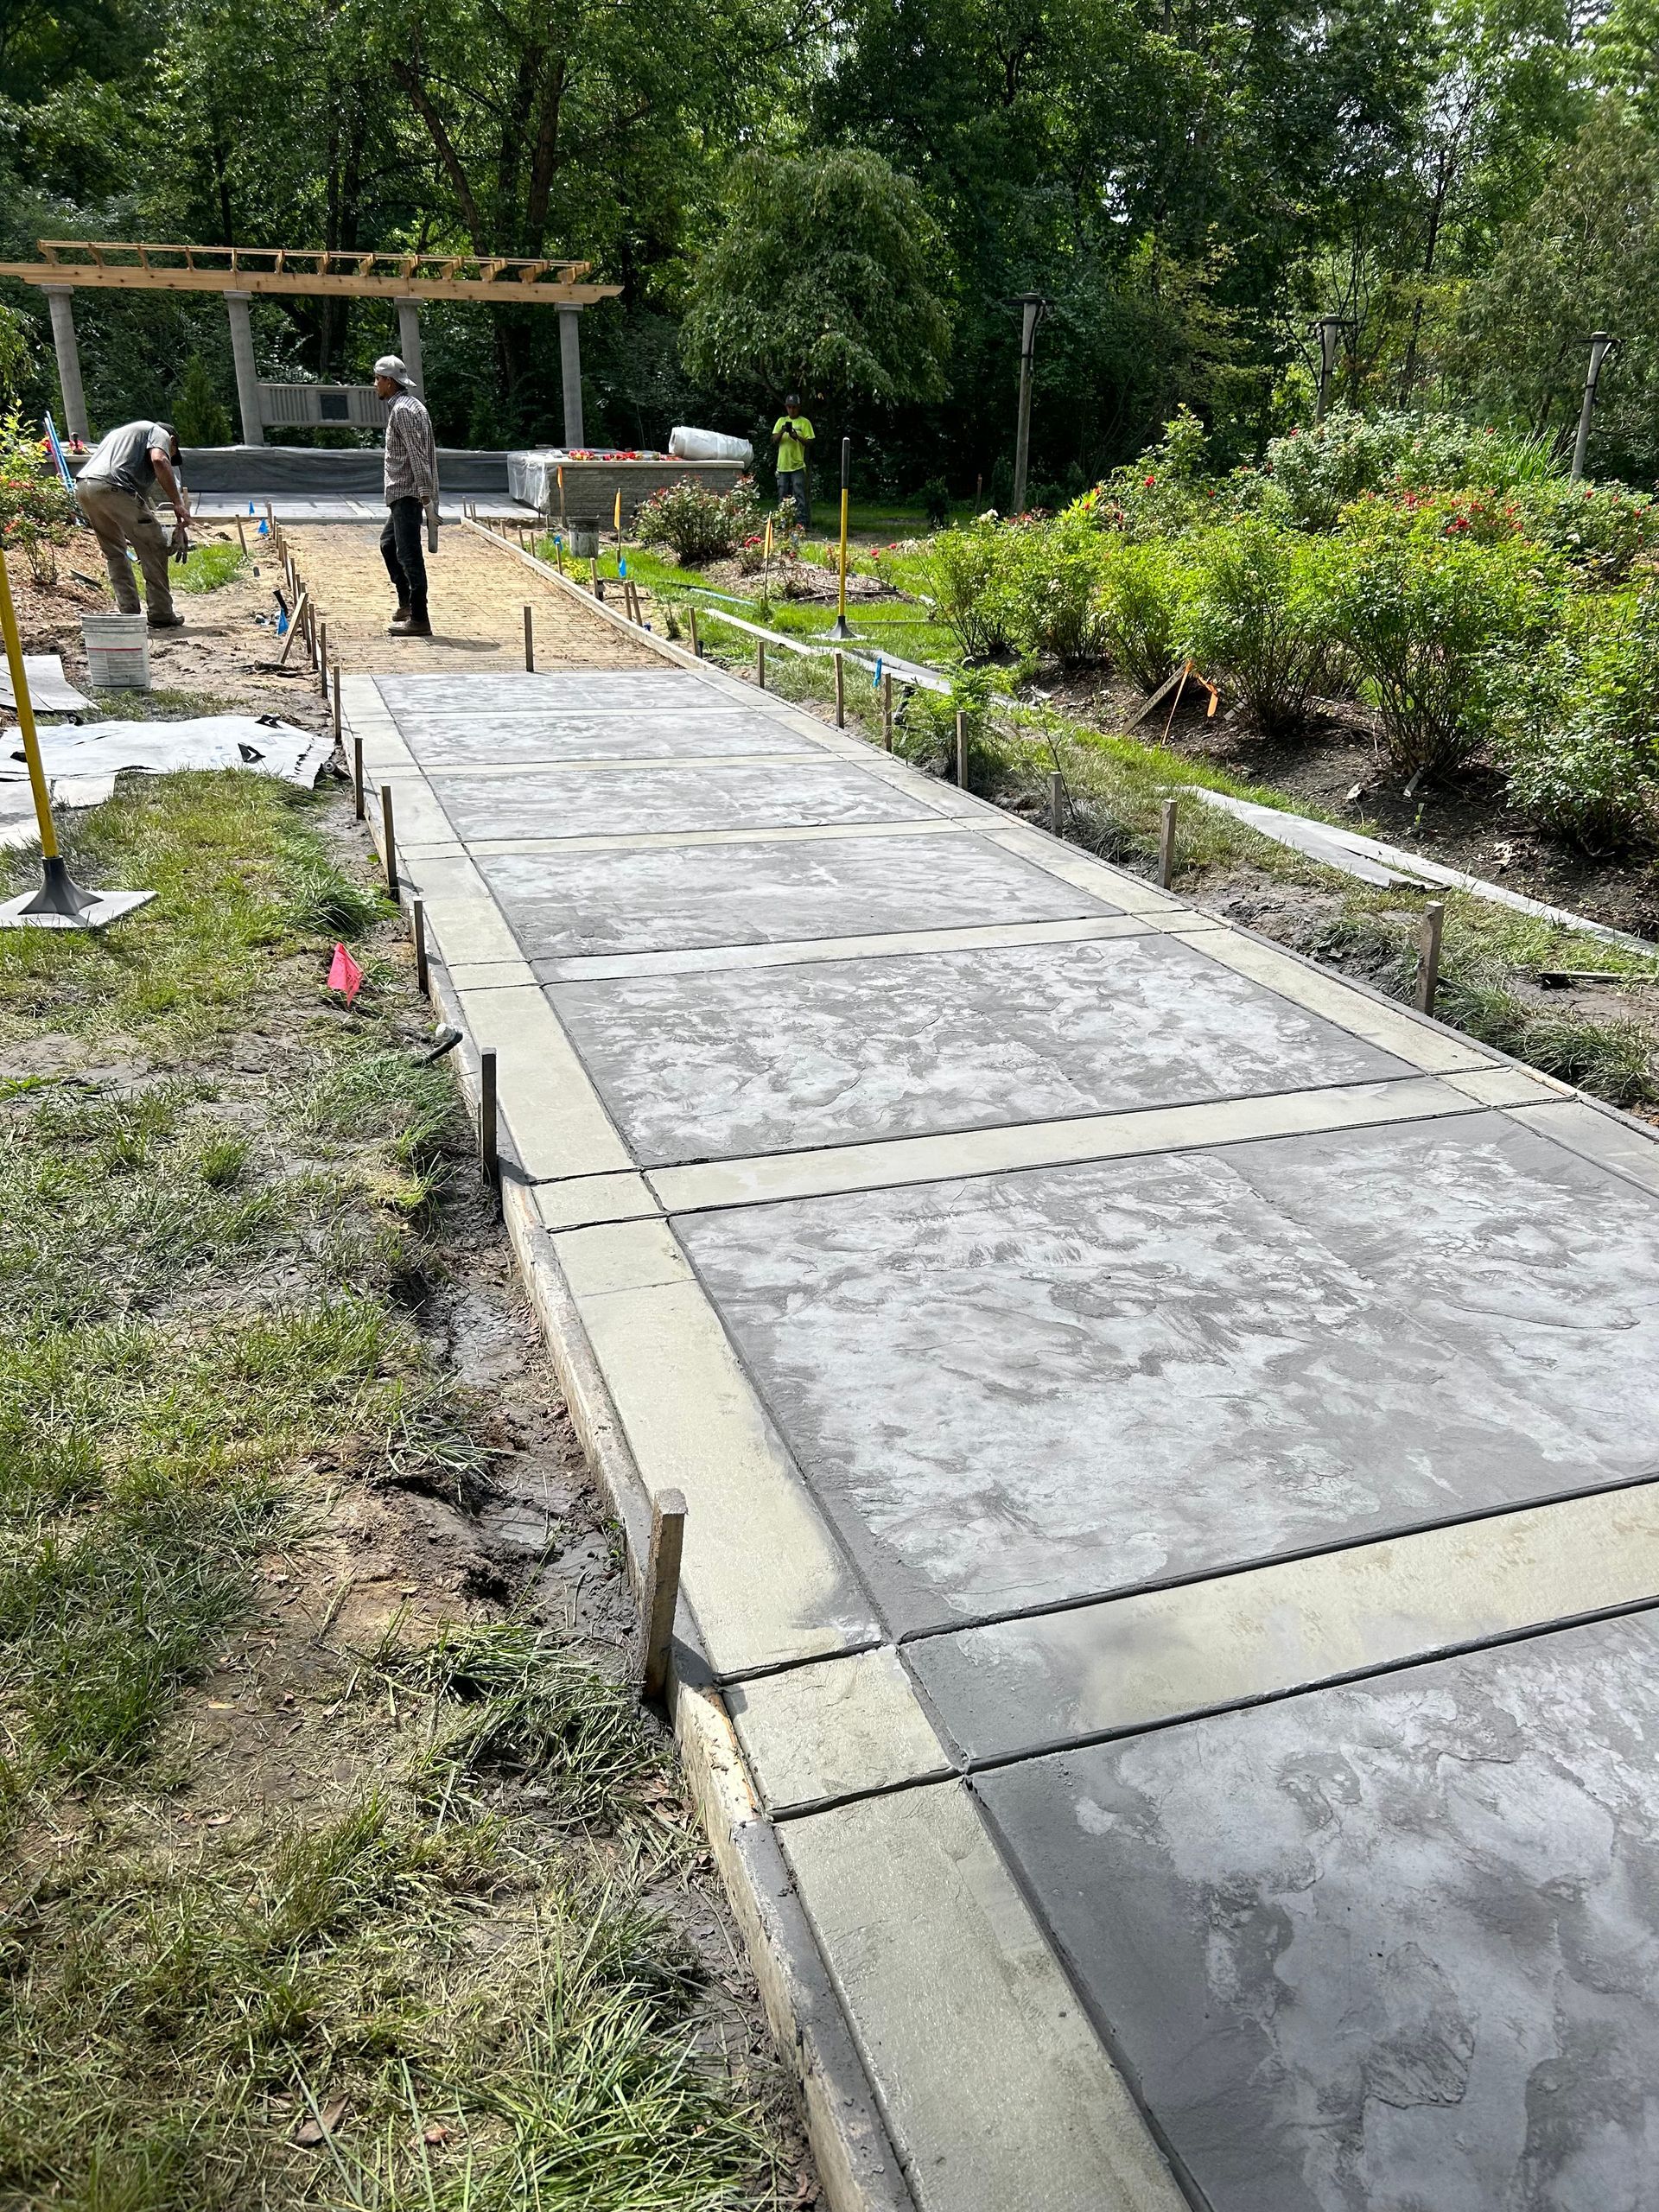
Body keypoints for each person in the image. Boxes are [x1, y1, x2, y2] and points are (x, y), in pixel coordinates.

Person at [73, 420, 189, 630]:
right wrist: (178, 503)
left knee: (115, 553)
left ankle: (128, 614)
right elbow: (160, 460)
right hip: (114, 486)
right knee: (153, 546)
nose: (169, 456)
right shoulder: (159, 432)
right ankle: (161, 614)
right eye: (172, 452)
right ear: (172, 441)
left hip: (85, 486)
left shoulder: (122, 435)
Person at [373, 354, 438, 637]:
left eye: (378, 379)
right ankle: (406, 604)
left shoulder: (403, 411)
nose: (376, 385)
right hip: (403, 492)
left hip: (409, 493)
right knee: (389, 545)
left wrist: (426, 497)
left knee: (409, 555)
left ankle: (420, 618)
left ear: (389, 381)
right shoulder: (411, 406)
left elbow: (418, 455)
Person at [772, 395, 814, 527]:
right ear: (786, 407)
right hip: (783, 465)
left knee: (799, 495)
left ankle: (801, 523)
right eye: (789, 407)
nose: (792, 410)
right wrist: (783, 431)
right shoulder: (781, 421)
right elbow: (774, 440)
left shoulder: (804, 422)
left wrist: (797, 437)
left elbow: (810, 442)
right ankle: (782, 522)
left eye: (794, 407)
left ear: (798, 407)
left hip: (798, 465)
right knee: (782, 495)